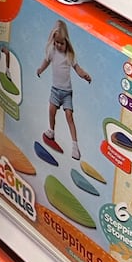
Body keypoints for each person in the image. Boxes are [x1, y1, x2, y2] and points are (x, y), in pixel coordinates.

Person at [37, 20, 90, 159]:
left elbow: (77, 68)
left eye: (61, 43)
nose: (59, 46)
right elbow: (46, 61)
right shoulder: (52, 51)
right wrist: (40, 70)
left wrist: (83, 75)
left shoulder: (69, 55)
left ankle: (75, 146)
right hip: (55, 90)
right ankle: (51, 131)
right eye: (56, 43)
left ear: (67, 41)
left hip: (66, 92)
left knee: (69, 116)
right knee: (51, 110)